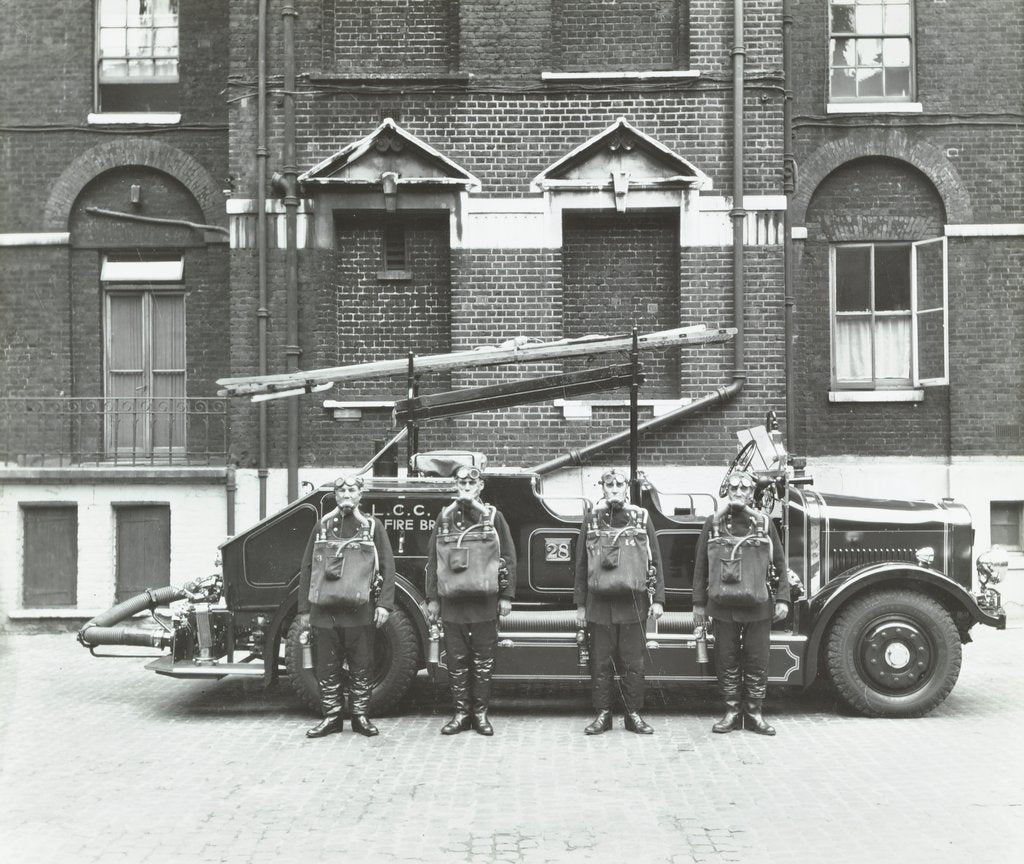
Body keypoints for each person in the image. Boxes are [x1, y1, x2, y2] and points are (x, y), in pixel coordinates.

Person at [692, 468, 790, 736]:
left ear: (751, 493)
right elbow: (701, 566)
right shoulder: (713, 523)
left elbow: (780, 564)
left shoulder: (764, 524)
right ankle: (732, 711)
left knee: (758, 659)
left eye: (744, 489)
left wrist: (782, 598)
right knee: (727, 659)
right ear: (727, 491)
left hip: (758, 605)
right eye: (734, 489)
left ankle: (755, 713)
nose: (738, 493)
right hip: (723, 606)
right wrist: (699, 604)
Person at [297, 474, 396, 738]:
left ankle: (360, 716)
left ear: (360, 495)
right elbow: (307, 568)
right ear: (335, 496)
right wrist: (304, 610)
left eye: (352, 491)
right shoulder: (322, 527)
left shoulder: (373, 527)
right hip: (325, 613)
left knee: (361, 665)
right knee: (327, 667)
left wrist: (384, 604)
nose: (347, 496)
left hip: (359, 612)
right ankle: (331, 717)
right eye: (342, 492)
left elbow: (387, 566)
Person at [425, 465, 516, 736]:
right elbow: (433, 560)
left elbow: (508, 557)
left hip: (484, 603)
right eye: (461, 483)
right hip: (452, 604)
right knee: (456, 660)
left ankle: (480, 714)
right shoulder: (444, 518)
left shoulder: (493, 517)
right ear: (455, 485)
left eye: (471, 484)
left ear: (480, 487)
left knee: (483, 660)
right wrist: (432, 599)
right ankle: (461, 713)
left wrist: (506, 596)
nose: (466, 487)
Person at [574, 469, 665, 735]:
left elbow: (655, 560)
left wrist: (658, 600)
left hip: (633, 605)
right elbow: (581, 565)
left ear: (627, 488)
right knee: (600, 663)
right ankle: (603, 714)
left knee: (633, 663)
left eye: (619, 485)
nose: (614, 489)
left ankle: (632, 714)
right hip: (599, 607)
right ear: (602, 488)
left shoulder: (640, 518)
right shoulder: (591, 520)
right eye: (609, 485)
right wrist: (580, 605)